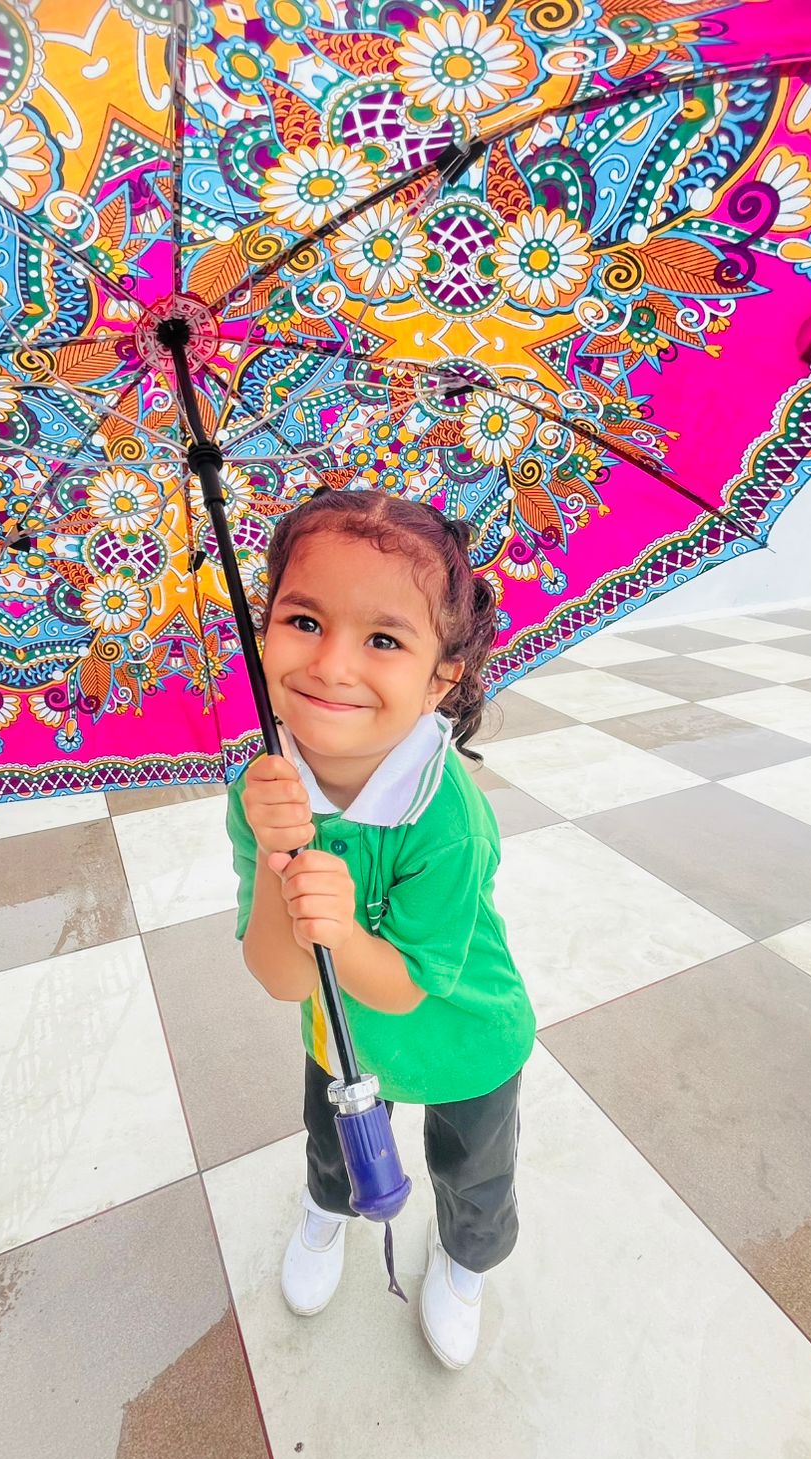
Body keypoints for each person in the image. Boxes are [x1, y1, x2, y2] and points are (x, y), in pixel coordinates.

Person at [225, 489, 536, 1369]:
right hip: (342, 1034)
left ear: (443, 675)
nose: (331, 665)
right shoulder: (265, 788)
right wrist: (283, 864)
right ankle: (327, 1214)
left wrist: (343, 931)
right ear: (266, 627)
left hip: (465, 1032)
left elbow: (403, 985)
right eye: (303, 619)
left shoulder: (448, 817)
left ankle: (466, 1261)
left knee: (473, 1169)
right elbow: (286, 980)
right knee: (334, 1138)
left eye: (385, 639)